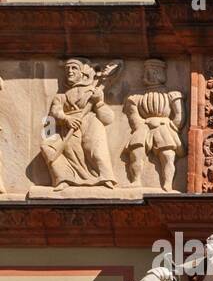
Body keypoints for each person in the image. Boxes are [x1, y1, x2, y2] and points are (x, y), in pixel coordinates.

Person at [42, 58, 119, 189]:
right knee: (49, 148)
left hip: (91, 124)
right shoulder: (60, 96)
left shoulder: (93, 92)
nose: (69, 71)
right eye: (67, 69)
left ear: (83, 72)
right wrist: (66, 119)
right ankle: (64, 178)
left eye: (74, 68)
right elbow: (53, 113)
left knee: (96, 151)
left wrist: (99, 102)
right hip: (69, 128)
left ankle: (106, 178)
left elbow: (108, 119)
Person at [123, 59, 185, 191]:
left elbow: (179, 116)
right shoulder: (135, 97)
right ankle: (136, 181)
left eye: (154, 72)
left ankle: (168, 184)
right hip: (144, 126)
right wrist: (143, 125)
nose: (149, 75)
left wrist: (169, 126)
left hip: (164, 126)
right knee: (136, 153)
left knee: (168, 155)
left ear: (161, 74)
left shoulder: (172, 95)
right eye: (147, 72)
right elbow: (133, 116)